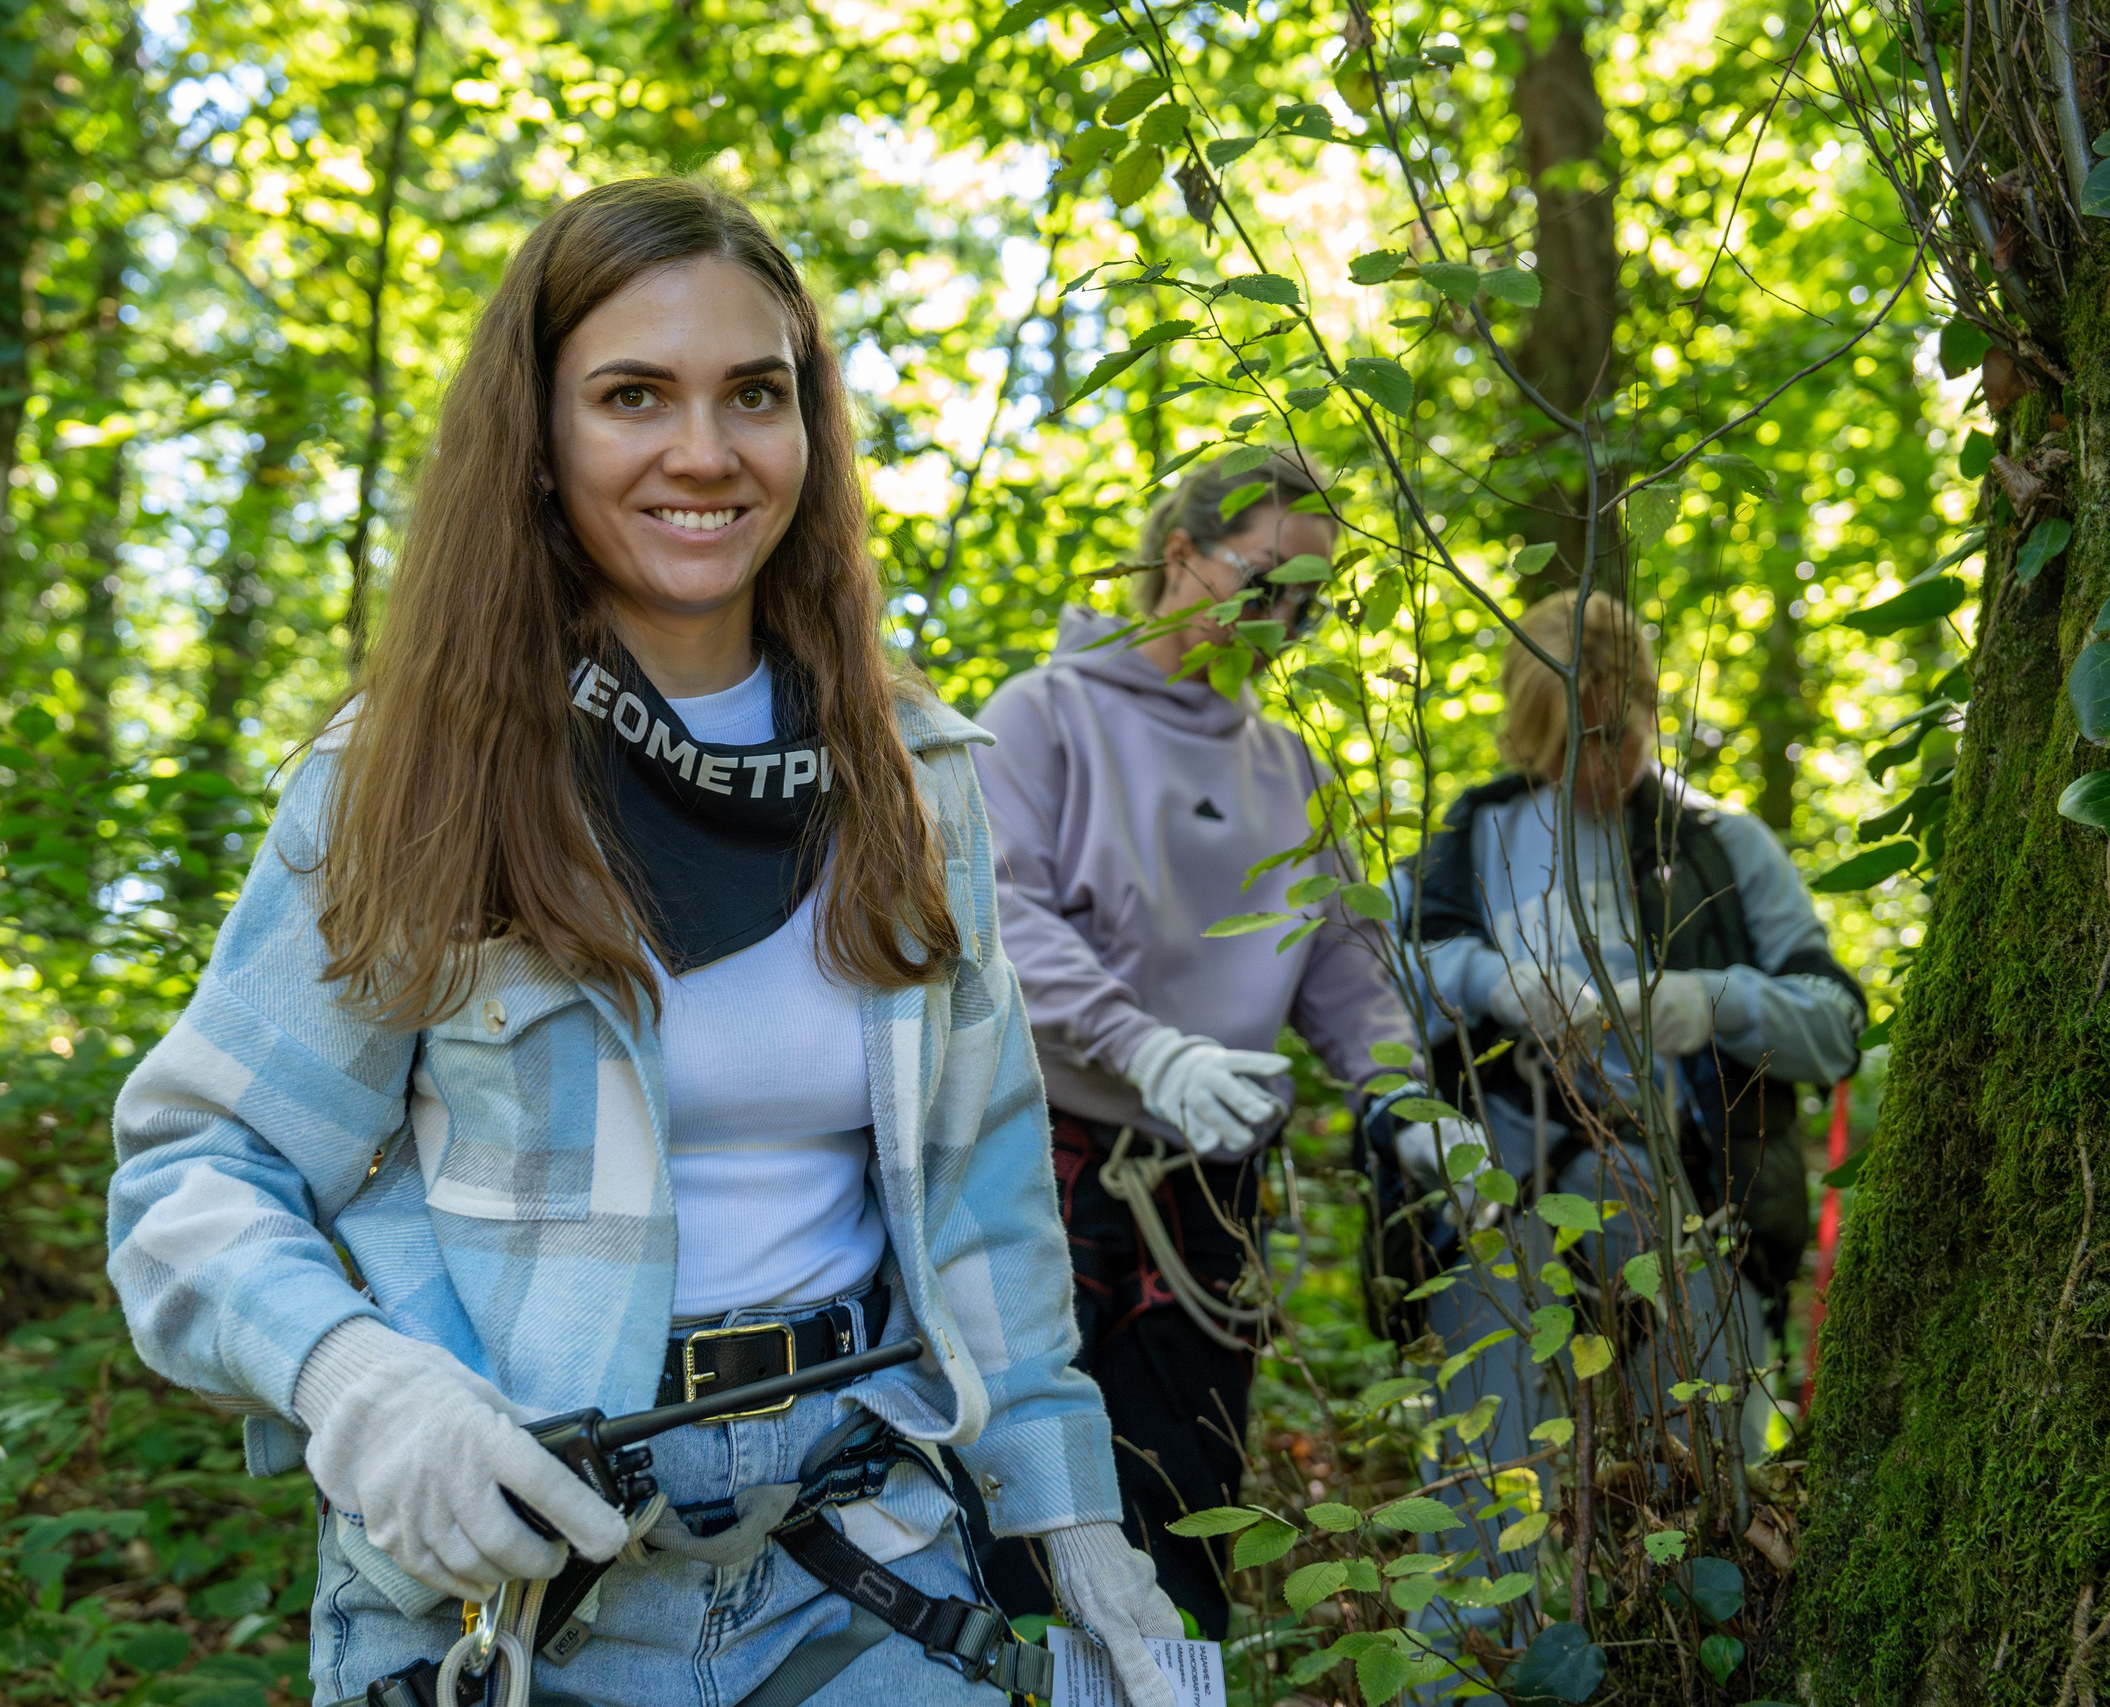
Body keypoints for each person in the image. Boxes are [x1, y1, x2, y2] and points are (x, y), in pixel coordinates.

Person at [104, 178, 1184, 1707]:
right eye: (632, 396)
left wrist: (1072, 1516)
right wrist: (359, 1383)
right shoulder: (410, 774)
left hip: (858, 1532)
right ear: (540, 440)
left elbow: (985, 1194)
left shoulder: (917, 771)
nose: (705, 451)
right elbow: (189, 1170)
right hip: (517, 1574)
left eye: (756, 393)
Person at [969, 451, 1471, 1637]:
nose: (1282, 625)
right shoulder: (1043, 717)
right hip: (1047, 1171)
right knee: (1018, 1495)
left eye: (1309, 601)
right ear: (1181, 556)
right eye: (1263, 586)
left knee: (1187, 1498)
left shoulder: (1286, 766)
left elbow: (1341, 960)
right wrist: (1146, 1053)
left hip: (1208, 1197)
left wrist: (1399, 1094)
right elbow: (996, 915)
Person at [1386, 588, 1863, 1479]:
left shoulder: (1723, 846)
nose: (1603, 765)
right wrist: (1492, 979)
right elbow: (1372, 997)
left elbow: (1835, 1026)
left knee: (1708, 1483)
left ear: (1652, 704)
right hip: (1500, 1213)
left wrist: (1711, 1002)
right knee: (1493, 1486)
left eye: (1624, 733)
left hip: (1693, 1210)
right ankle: (1484, 1625)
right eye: (1575, 745)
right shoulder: (1465, 848)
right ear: (1529, 734)